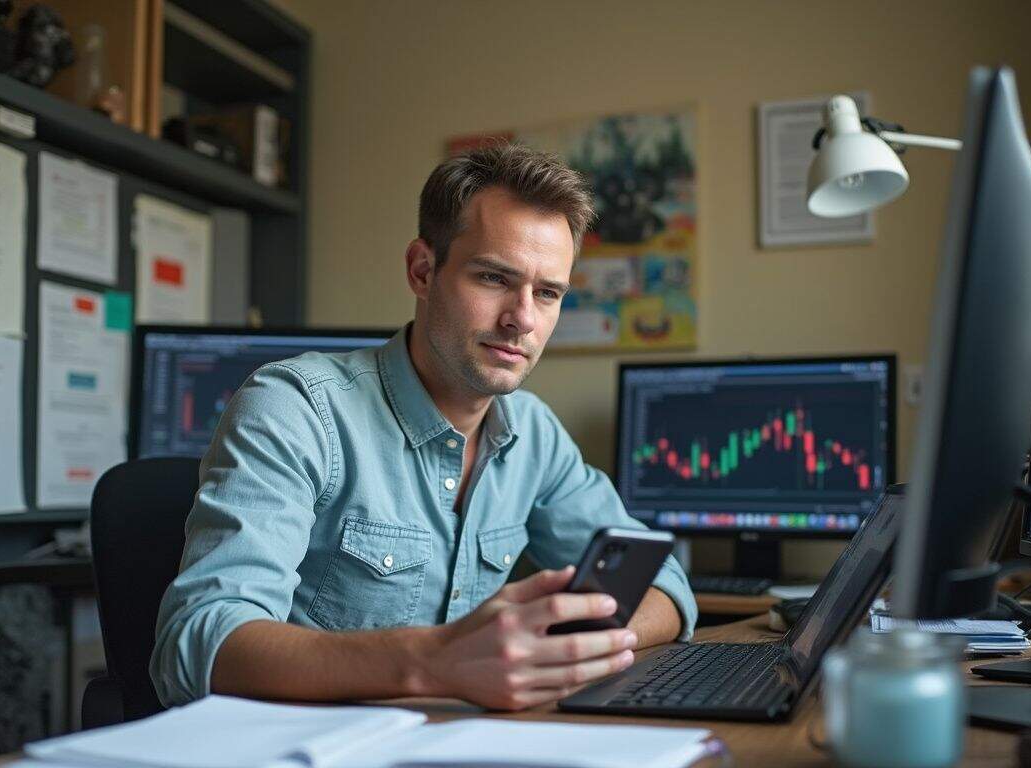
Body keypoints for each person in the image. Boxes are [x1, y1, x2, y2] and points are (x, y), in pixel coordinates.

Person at [150, 144, 697, 711]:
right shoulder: (296, 408)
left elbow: (666, 584)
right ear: (422, 270)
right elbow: (198, 644)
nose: (523, 319)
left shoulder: (534, 434)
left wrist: (570, 652)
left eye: (548, 293)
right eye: (493, 278)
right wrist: (434, 662)